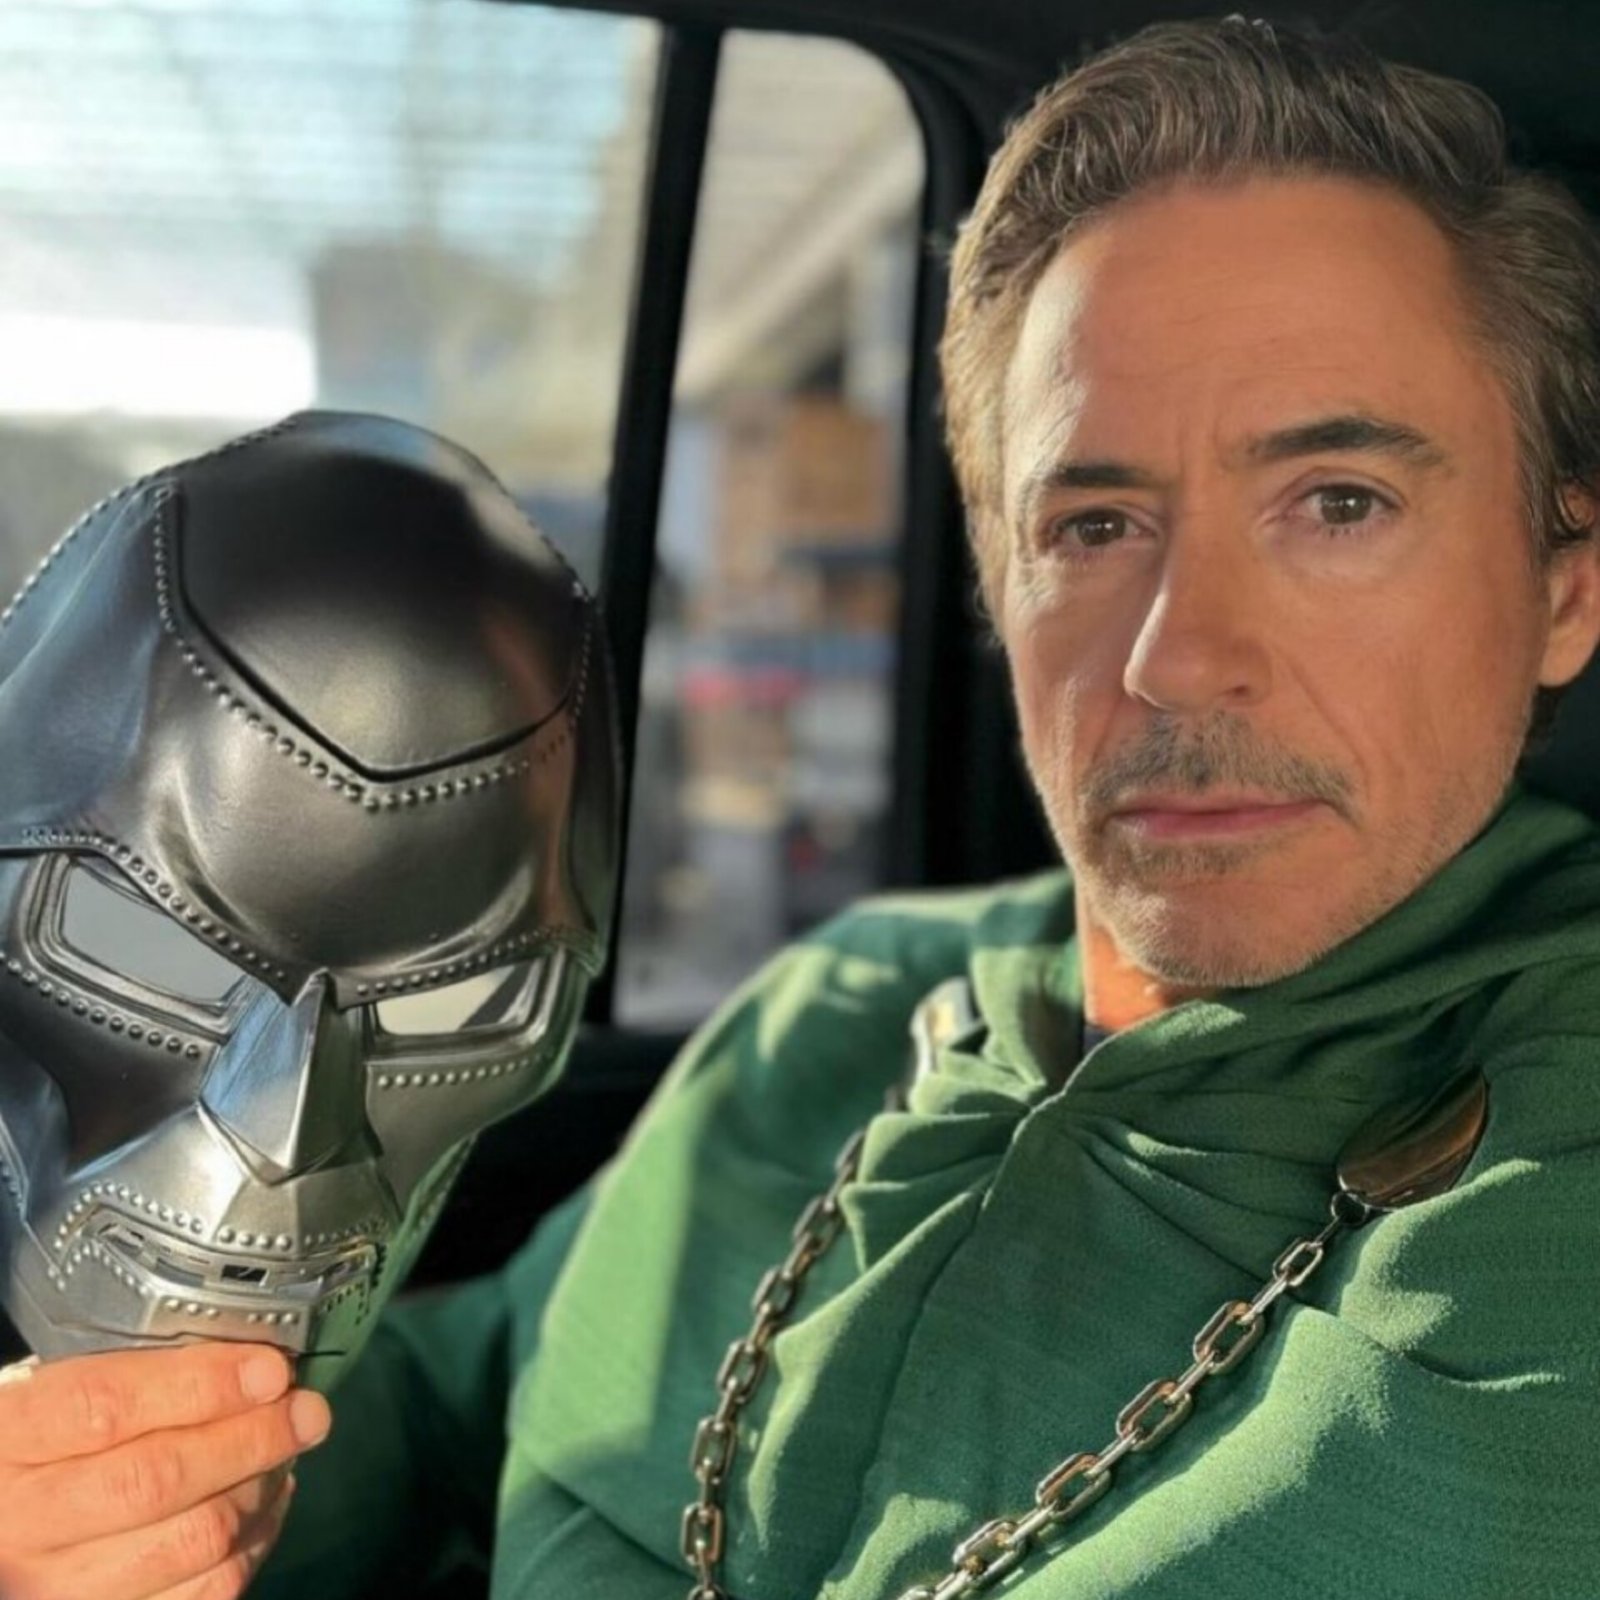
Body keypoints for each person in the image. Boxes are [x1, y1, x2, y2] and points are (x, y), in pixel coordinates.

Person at [6, 15, 1600, 1598]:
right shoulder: (840, 1011)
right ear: (1000, 587)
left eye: (1338, 503)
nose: (1179, 657)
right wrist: (132, 1498)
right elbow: (446, 1406)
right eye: (1095, 523)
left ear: (1564, 590)